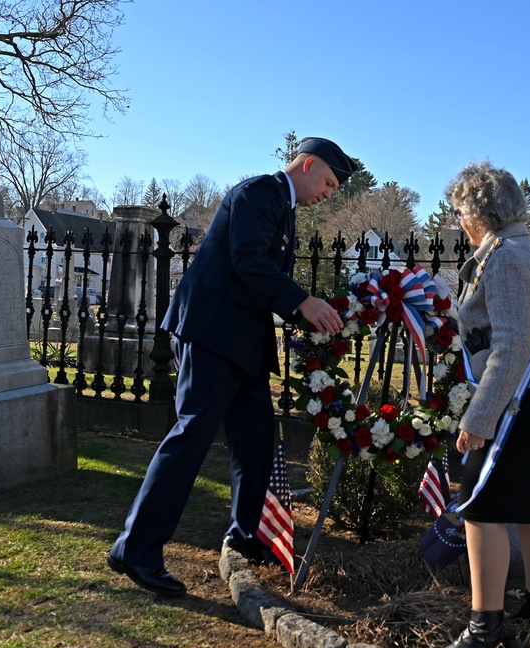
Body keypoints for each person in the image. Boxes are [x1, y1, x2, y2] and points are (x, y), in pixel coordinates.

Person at [107, 137, 356, 597]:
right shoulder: (258, 194)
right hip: (211, 335)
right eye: (327, 182)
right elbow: (248, 261)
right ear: (306, 165)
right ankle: (136, 547)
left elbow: (259, 274)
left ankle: (247, 536)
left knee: (256, 441)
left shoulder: (280, 206)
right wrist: (304, 302)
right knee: (191, 437)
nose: (328, 193)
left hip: (240, 344)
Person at [427, 161, 530, 648]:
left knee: (479, 506)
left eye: (458, 212)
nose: (457, 222)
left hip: (519, 393)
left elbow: (510, 346)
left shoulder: (506, 258)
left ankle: (483, 629)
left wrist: (478, 420)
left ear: (476, 212)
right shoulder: (519, 249)